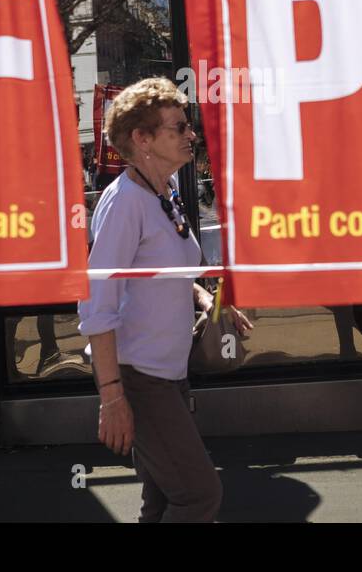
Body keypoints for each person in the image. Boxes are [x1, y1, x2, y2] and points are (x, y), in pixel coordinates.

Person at [78, 77, 250, 523]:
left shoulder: (162, 194)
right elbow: (97, 302)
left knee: (161, 504)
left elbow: (162, 272)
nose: (191, 135)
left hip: (167, 377)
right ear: (143, 139)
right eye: (179, 127)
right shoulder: (125, 203)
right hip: (141, 380)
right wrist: (112, 398)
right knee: (198, 496)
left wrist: (201, 295)